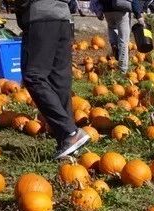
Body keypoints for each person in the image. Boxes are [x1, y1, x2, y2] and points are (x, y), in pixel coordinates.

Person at [15, 0, 90, 160]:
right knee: (59, 80)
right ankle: (67, 141)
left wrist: (22, 14)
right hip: (63, 18)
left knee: (34, 75)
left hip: (41, 16)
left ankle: (70, 132)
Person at [91, 0, 143, 74]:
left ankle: (114, 43)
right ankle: (123, 70)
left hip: (107, 9)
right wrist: (138, 15)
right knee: (123, 40)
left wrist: (98, 11)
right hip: (121, 8)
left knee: (112, 27)